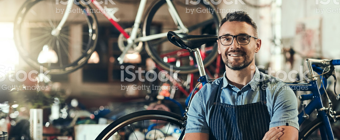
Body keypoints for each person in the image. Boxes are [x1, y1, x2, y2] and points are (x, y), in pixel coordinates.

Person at [183, 11, 299, 140]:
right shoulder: (203, 97)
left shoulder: (279, 93)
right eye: (227, 39)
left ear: (257, 45)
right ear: (219, 47)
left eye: (243, 38)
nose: (234, 45)